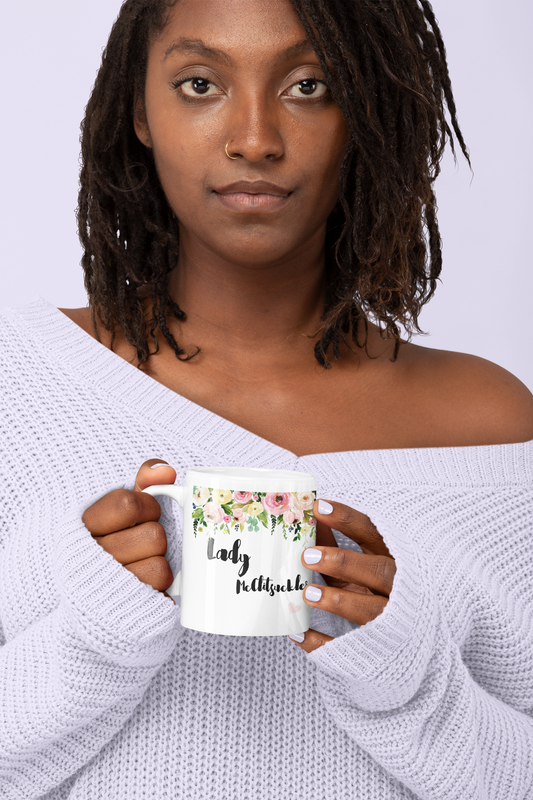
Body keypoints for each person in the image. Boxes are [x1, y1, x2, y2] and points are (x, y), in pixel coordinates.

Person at [1, 0, 532, 798]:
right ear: (137, 111)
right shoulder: (21, 380)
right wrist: (92, 636)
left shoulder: (489, 426)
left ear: (366, 110)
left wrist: (406, 674)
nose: (254, 137)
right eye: (199, 83)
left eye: (310, 84)